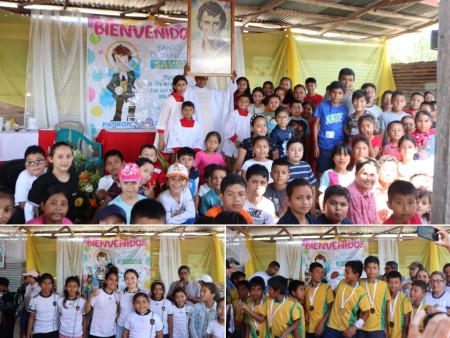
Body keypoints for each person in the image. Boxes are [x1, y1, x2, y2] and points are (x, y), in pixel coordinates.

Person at [27, 142, 78, 222]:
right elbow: (30, 207)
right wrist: (31, 227)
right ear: (51, 159)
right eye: (60, 157)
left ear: (72, 158)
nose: (65, 160)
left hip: (68, 225)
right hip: (46, 227)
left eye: (68, 156)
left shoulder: (75, 177)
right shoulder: (42, 182)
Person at [183, 68, 236, 139]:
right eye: (199, 78)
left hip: (211, 125)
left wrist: (232, 80)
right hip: (196, 123)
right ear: (195, 79)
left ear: (207, 80)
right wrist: (185, 74)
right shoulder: (190, 90)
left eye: (204, 78)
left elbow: (227, 93)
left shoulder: (212, 92)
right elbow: (182, 87)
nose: (202, 81)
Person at [323, 260, 370, 338]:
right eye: (345, 271)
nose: (344, 274)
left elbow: (367, 313)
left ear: (356, 275)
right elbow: (336, 295)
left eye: (347, 273)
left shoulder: (361, 292)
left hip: (346, 331)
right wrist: (333, 280)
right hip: (331, 327)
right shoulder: (342, 282)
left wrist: (355, 327)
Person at [313, 81, 349, 177]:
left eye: (340, 93)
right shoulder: (322, 105)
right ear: (329, 92)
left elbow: (345, 128)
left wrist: (353, 134)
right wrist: (316, 145)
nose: (336, 95)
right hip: (324, 144)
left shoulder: (344, 109)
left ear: (344, 94)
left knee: (337, 169)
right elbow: (315, 125)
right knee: (321, 170)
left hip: (339, 145)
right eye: (334, 92)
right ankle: (322, 190)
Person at [191, 1, 231, 74]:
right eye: (207, 22)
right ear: (200, 24)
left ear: (222, 25)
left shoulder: (229, 50)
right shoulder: (192, 49)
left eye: (216, 23)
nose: (211, 28)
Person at [358, 256, 391, 338]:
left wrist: (386, 327)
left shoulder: (384, 285)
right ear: (364, 269)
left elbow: (387, 308)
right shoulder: (359, 283)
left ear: (379, 269)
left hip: (378, 327)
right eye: (369, 268)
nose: (371, 270)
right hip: (361, 326)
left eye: (374, 268)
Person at [14, 145, 47, 224]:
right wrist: (34, 209)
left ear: (46, 162)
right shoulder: (24, 176)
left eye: (39, 161)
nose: (35, 165)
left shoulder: (50, 173)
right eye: (30, 162)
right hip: (25, 207)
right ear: (26, 166)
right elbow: (22, 202)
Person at [156, 75, 188, 153]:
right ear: (174, 86)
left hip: (181, 133)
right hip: (169, 133)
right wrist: (161, 139)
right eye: (179, 85)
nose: (182, 87)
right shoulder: (169, 100)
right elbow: (161, 121)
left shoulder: (185, 100)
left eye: (184, 84)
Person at [107, 44, 139, 121]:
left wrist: (137, 83)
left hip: (129, 94)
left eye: (124, 61)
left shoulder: (131, 73)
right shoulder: (115, 76)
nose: (122, 64)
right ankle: (117, 119)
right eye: (118, 61)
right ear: (115, 62)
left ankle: (131, 120)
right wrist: (115, 89)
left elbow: (134, 82)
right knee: (119, 107)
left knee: (132, 106)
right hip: (120, 96)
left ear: (129, 61)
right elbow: (109, 85)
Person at [84, 270, 120, 338]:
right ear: (105, 281)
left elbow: (118, 312)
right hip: (96, 333)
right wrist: (91, 296)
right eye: (110, 279)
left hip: (111, 333)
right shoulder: (98, 293)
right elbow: (86, 311)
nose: (113, 282)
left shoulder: (117, 296)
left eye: (116, 280)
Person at [318, 142, 354, 207]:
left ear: (350, 158)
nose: (342, 158)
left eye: (345, 155)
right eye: (338, 154)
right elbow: (322, 195)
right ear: (333, 157)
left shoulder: (353, 175)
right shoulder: (327, 174)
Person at [304, 262, 334, 338]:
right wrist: (305, 311)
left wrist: (321, 324)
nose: (321, 275)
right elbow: (303, 304)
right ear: (310, 274)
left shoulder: (327, 288)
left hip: (321, 328)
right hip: (308, 326)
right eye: (317, 272)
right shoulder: (306, 288)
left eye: (322, 272)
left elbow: (330, 307)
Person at [26, 273, 60, 338]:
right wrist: (28, 335)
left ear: (53, 284)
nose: (47, 286)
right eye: (44, 283)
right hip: (38, 331)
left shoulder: (57, 297)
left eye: (49, 283)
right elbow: (31, 318)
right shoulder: (34, 299)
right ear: (40, 284)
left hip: (54, 331)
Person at [347, 157, 379, 224]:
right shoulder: (352, 194)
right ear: (356, 174)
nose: (368, 178)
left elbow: (374, 219)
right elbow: (358, 228)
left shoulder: (371, 191)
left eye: (372, 175)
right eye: (364, 174)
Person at [116, 269, 146, 338]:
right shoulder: (120, 293)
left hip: (136, 328)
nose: (130, 281)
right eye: (127, 279)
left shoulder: (143, 294)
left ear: (137, 279)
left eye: (132, 278)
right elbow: (118, 310)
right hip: (121, 326)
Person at [223, 93, 253, 158]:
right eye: (241, 101)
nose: (243, 103)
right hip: (233, 142)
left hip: (246, 143)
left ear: (249, 104)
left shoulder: (251, 116)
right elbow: (228, 128)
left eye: (246, 101)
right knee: (231, 161)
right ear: (238, 102)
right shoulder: (233, 114)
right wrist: (235, 141)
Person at [386, 271, 412, 338]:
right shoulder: (385, 298)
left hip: (400, 334)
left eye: (396, 282)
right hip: (388, 334)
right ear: (387, 283)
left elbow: (407, 320)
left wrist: (404, 336)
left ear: (400, 284)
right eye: (390, 282)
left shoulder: (405, 298)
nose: (393, 285)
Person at [375, 155, 399, 223]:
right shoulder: (371, 190)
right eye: (385, 170)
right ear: (378, 171)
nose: (388, 174)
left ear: (396, 174)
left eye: (392, 171)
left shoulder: (399, 191)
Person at [20, 270, 40, 338]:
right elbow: (25, 297)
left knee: (34, 328)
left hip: (35, 312)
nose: (26, 278)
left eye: (28, 277)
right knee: (24, 326)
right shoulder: (28, 286)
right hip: (26, 310)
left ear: (32, 277)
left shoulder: (39, 287)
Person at [302, 100, 318, 173]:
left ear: (313, 111)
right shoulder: (300, 120)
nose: (306, 111)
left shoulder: (315, 121)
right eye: (304, 108)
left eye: (308, 109)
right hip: (302, 143)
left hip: (312, 145)